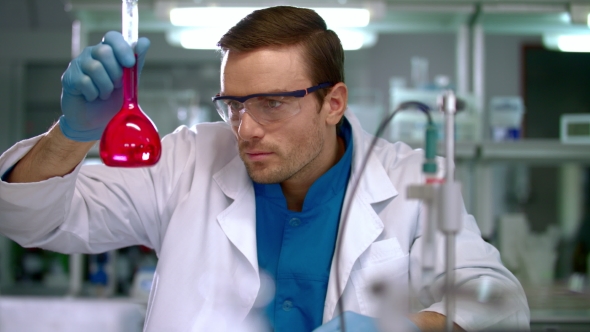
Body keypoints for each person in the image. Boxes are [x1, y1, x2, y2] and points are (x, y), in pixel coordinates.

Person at [0, 6, 529, 332]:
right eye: (233, 104)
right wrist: (73, 133)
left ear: (334, 103)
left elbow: (497, 304)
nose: (245, 129)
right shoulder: (187, 161)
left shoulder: (410, 179)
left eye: (273, 103)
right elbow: (30, 219)